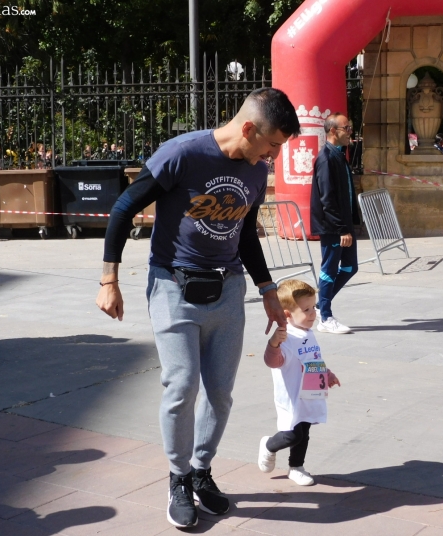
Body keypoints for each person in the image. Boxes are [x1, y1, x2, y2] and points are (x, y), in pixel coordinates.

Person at [95, 87, 300, 529]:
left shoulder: (256, 170)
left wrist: (267, 289)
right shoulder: (181, 154)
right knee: (182, 385)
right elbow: (124, 207)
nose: (274, 157)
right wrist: (109, 279)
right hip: (173, 285)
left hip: (228, 290)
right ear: (248, 128)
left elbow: (245, 233)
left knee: (220, 392)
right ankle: (178, 478)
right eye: (272, 145)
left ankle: (202, 471)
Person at [257, 279, 340, 486]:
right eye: (306, 309)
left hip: (309, 393)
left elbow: (313, 358)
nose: (313, 313)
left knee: (304, 432)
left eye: (314, 307)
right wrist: (273, 343)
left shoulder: (308, 333)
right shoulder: (286, 337)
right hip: (291, 396)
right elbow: (272, 361)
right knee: (292, 435)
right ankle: (268, 445)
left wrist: (326, 373)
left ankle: (297, 467)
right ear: (287, 315)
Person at [310, 112, 360, 334]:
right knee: (329, 268)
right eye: (346, 128)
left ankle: (321, 304)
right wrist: (341, 229)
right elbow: (327, 199)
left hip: (344, 225)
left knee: (350, 267)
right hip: (332, 227)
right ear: (333, 131)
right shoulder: (326, 159)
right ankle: (325, 317)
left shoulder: (339, 155)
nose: (350, 132)